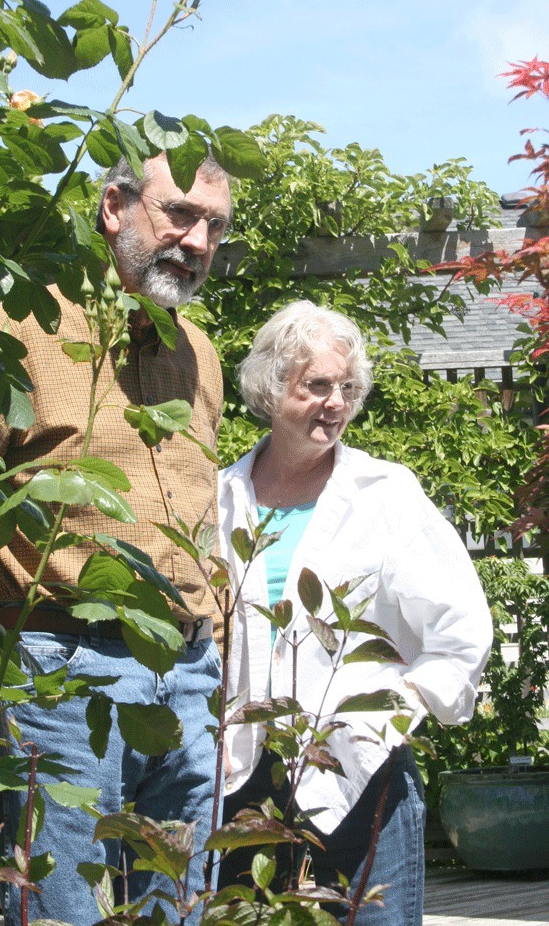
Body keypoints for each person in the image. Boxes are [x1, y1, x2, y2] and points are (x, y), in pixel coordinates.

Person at [0, 152, 232, 925]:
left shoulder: (200, 353)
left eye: (214, 225)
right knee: (63, 912)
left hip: (188, 680)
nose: (194, 240)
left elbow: (199, 520)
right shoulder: (16, 331)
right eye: (178, 213)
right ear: (113, 207)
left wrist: (213, 642)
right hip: (59, 677)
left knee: (179, 911)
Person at [217, 300, 492, 925]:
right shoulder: (222, 495)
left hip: (361, 774)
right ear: (269, 386)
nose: (335, 402)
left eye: (346, 387)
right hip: (242, 781)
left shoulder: (385, 495)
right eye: (317, 385)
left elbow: (460, 627)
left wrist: (390, 717)